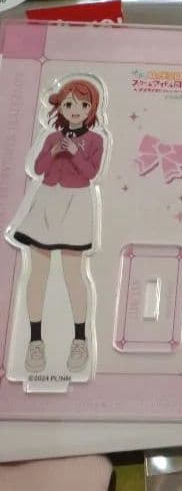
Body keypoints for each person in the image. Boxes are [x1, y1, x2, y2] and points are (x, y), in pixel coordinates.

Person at [6, 77, 107, 374]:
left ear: (92, 109)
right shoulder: (51, 137)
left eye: (83, 104)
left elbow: (91, 174)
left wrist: (75, 153)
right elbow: (37, 169)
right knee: (37, 273)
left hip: (76, 205)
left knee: (74, 275)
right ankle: (34, 341)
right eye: (69, 103)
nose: (76, 109)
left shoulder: (96, 140)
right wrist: (53, 152)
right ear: (60, 106)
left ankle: (80, 340)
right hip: (47, 203)